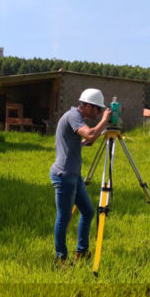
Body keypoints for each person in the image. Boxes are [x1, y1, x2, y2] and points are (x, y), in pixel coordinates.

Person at [50, 88, 111, 263]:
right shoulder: (73, 116)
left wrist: (85, 142)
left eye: (101, 111)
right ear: (89, 106)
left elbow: (86, 138)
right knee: (64, 217)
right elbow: (91, 133)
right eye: (98, 109)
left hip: (73, 175)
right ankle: (61, 258)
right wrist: (105, 121)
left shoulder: (76, 117)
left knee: (88, 211)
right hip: (64, 175)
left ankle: (81, 252)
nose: (99, 113)